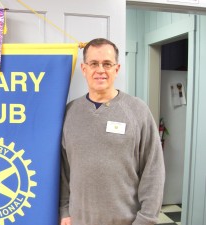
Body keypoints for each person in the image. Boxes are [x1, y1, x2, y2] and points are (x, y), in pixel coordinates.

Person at [59, 38, 165, 225]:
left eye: (107, 64)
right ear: (84, 69)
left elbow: (154, 170)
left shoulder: (138, 110)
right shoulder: (69, 112)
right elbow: (63, 170)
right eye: (94, 64)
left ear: (116, 69)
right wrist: (64, 210)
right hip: (78, 220)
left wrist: (147, 219)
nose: (100, 70)